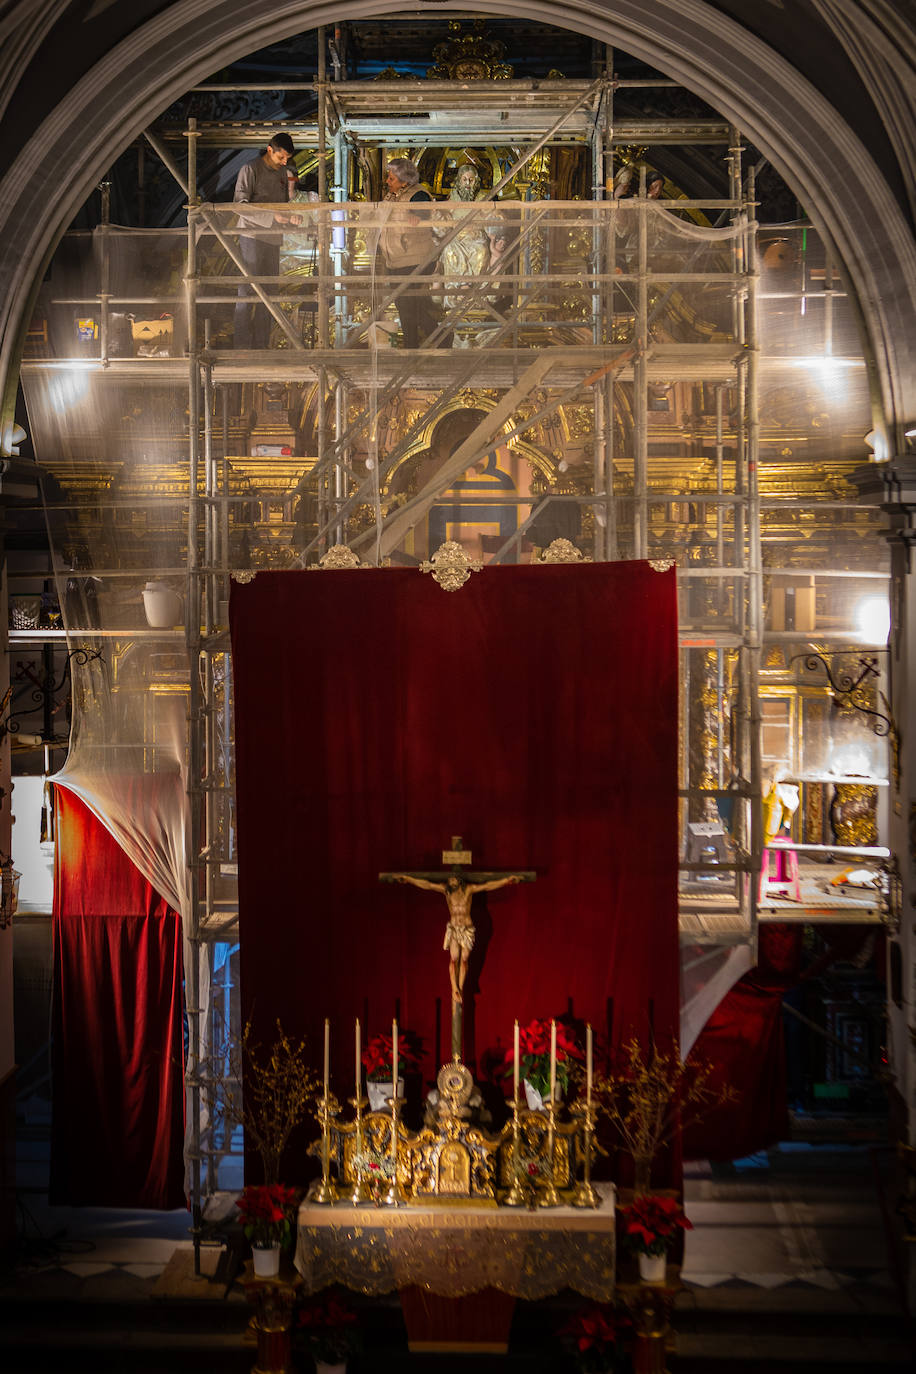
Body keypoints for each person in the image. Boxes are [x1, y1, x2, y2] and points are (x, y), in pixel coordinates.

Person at [386, 870, 523, 1005]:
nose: (450, 880)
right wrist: (409, 879)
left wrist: (505, 881)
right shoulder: (446, 891)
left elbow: (487, 885)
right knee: (453, 959)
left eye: (453, 878)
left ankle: (460, 987)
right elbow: (427, 885)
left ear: (459, 881)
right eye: (449, 879)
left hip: (466, 930)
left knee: (464, 960)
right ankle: (454, 988)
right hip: (453, 929)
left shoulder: (468, 890)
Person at [233, 132, 301, 349]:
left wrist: (290, 218)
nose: (284, 162)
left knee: (270, 292)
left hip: (272, 238)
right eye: (281, 157)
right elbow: (239, 206)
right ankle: (242, 345)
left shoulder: (282, 173)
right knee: (248, 289)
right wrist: (273, 216)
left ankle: (262, 344)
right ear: (269, 150)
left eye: (287, 159)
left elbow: (282, 206)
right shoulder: (250, 169)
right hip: (251, 236)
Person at [378, 157, 445, 349]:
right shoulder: (392, 196)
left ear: (405, 181)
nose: (387, 182)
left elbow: (423, 213)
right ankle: (435, 340)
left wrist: (416, 216)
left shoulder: (418, 194)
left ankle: (415, 345)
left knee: (408, 306)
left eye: (391, 178)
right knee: (407, 305)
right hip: (396, 260)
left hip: (414, 260)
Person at [438, 162, 491, 317]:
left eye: (471, 180)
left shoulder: (482, 200)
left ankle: (476, 293)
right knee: (449, 251)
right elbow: (442, 217)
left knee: (480, 251)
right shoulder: (452, 200)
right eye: (465, 179)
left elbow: (491, 217)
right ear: (459, 181)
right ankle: (455, 294)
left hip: (476, 238)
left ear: (476, 181)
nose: (468, 183)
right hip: (457, 240)